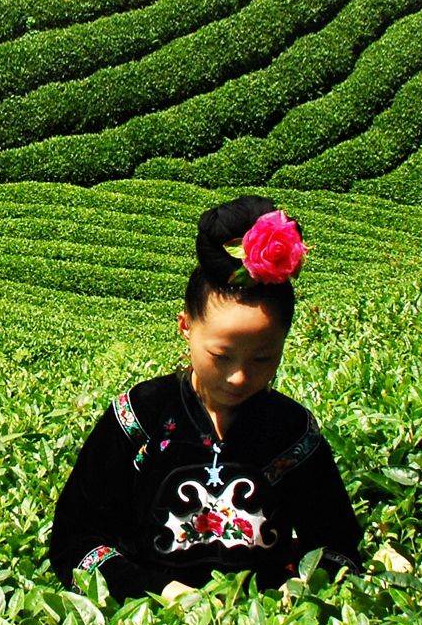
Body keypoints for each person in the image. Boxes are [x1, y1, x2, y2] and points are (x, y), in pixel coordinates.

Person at [49, 196, 363, 600]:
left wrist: (300, 588)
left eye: (264, 358)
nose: (239, 377)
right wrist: (158, 592)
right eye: (221, 355)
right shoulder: (141, 417)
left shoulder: (291, 432)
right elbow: (76, 539)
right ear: (185, 327)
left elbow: (338, 542)